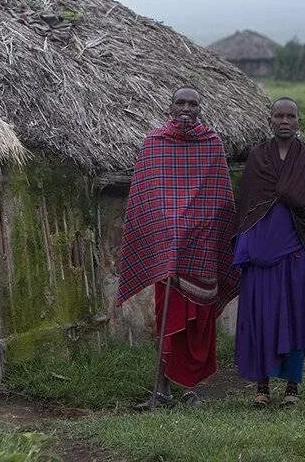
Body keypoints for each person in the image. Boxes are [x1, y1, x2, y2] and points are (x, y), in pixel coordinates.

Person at [117, 86, 239, 409]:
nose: (186, 108)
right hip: (166, 254)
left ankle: (191, 391)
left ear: (201, 108)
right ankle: (161, 390)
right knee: (168, 323)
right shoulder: (155, 144)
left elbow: (221, 201)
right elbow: (146, 199)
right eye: (180, 103)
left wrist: (198, 228)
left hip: (201, 251)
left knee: (199, 325)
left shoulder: (212, 145)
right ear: (169, 107)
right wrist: (166, 232)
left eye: (193, 103)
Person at [233, 97, 305, 407]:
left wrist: (290, 195)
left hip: (297, 253)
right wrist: (248, 250)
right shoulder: (258, 159)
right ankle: (261, 388)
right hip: (261, 257)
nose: (285, 121)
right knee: (261, 317)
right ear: (269, 120)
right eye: (279, 115)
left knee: (294, 317)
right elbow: (248, 208)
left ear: (298, 121)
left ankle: (292, 388)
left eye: (291, 116)